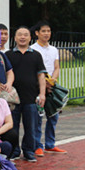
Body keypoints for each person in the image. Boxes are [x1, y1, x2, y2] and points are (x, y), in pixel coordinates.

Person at [5, 26, 46, 162]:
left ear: (30, 38)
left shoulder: (36, 55)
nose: (22, 37)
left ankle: (29, 151)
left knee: (31, 127)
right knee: (13, 126)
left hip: (31, 97)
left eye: (25, 35)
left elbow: (41, 76)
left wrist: (42, 94)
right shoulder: (8, 55)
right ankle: (15, 151)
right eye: (19, 35)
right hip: (13, 99)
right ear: (15, 38)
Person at [31, 21, 65, 154]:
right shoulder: (33, 49)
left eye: (48, 31)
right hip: (38, 87)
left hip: (51, 87)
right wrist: (44, 83)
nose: (46, 34)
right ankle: (37, 145)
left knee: (54, 116)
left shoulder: (54, 49)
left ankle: (50, 143)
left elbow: (56, 67)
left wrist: (53, 80)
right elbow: (34, 70)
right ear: (37, 33)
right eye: (43, 31)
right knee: (38, 117)